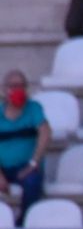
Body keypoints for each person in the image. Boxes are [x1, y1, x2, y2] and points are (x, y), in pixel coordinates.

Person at [0, 71, 51, 218]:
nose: (18, 90)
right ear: (4, 89)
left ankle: (24, 224)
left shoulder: (34, 108)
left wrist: (33, 163)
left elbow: (45, 133)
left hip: (27, 167)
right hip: (3, 169)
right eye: (14, 86)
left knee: (32, 182)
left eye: (22, 86)